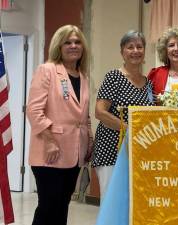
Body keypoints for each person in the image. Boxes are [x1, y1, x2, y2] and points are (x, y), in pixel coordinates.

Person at [26, 25, 93, 225]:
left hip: (74, 153)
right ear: (59, 46)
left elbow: (84, 116)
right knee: (48, 206)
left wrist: (89, 141)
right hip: (50, 152)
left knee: (62, 205)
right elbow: (34, 110)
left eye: (77, 42)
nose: (73, 46)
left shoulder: (82, 76)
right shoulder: (47, 70)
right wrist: (49, 141)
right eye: (68, 42)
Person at [91, 30, 153, 201]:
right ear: (122, 52)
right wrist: (129, 130)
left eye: (139, 47)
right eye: (130, 47)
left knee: (133, 204)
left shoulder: (148, 83)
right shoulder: (114, 77)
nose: (135, 51)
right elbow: (100, 112)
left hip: (138, 151)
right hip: (112, 149)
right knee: (112, 202)